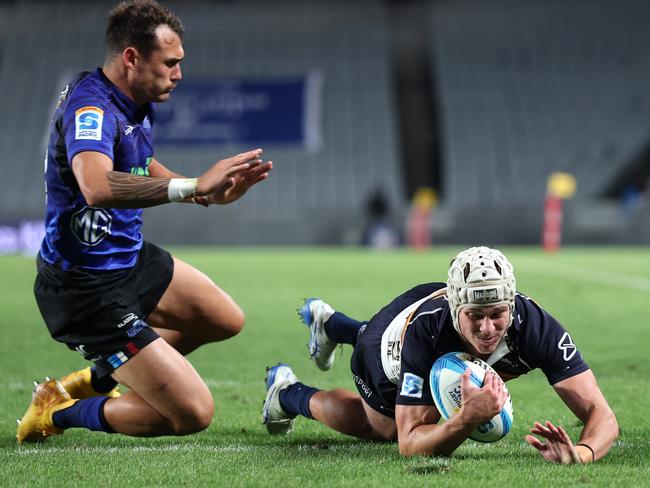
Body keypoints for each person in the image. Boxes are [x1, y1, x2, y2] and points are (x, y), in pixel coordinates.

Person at [16, 0, 273, 443]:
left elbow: (140, 162)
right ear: (132, 57)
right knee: (193, 413)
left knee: (222, 319)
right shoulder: (90, 109)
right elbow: (95, 185)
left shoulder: (132, 98)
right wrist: (191, 186)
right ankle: (57, 412)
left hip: (129, 261)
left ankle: (97, 377)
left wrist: (203, 192)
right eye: (170, 63)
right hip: (87, 289)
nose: (178, 74)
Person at [262, 246, 619, 463]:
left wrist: (584, 452)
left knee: (441, 398)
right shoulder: (427, 333)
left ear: (512, 305)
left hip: (426, 320)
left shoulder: (537, 328)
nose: (487, 328)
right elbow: (409, 443)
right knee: (381, 429)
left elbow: (601, 414)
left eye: (498, 314)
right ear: (455, 309)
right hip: (386, 353)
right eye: (475, 317)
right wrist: (465, 419)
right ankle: (287, 392)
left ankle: (335, 325)